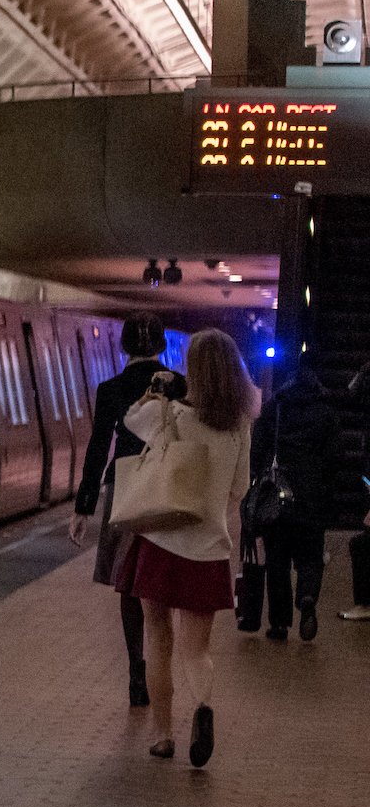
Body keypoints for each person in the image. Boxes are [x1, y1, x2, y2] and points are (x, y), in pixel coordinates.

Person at [114, 328, 258, 767]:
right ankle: (204, 709)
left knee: (158, 639)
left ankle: (161, 735)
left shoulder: (169, 415)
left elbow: (128, 420)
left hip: (160, 545)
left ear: (192, 370)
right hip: (209, 549)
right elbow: (240, 487)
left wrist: (155, 390)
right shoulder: (239, 425)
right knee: (197, 651)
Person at [70, 312, 185, 706]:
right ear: (162, 346)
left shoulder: (110, 389)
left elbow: (98, 448)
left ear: (123, 347)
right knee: (161, 582)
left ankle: (137, 670)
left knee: (128, 581)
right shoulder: (179, 386)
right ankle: (159, 669)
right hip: (167, 487)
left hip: (124, 487)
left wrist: (84, 506)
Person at [247, 363, 340, 640]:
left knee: (277, 560)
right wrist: (324, 487)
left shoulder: (275, 411)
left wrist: (257, 482)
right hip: (312, 496)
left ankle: (279, 624)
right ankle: (308, 596)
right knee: (311, 556)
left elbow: (258, 450)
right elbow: (335, 458)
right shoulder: (326, 413)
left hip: (277, 496)